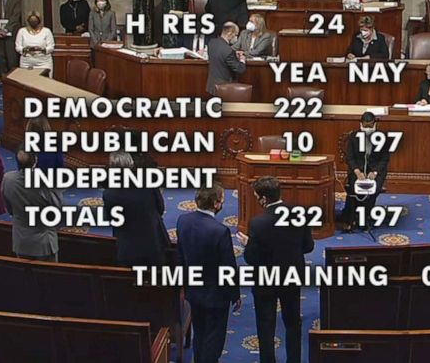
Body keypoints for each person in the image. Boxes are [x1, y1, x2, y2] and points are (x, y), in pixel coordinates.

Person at [242, 176, 314, 363]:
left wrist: (248, 244)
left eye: (257, 196)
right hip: (291, 276)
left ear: (264, 199)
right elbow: (308, 247)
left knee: (265, 325)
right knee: (292, 323)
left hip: (266, 280)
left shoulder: (258, 223)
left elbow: (252, 258)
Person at [176, 185, 241, 363]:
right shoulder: (220, 231)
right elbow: (228, 267)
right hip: (215, 296)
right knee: (213, 340)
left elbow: (180, 255)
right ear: (215, 203)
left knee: (200, 333)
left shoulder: (183, 220)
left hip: (193, 291)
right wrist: (235, 294)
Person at [103, 151, 170, 267]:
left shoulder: (109, 194)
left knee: (130, 283)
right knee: (157, 281)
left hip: (128, 249)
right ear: (131, 164)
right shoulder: (148, 183)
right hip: (154, 242)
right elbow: (161, 208)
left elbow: (110, 218)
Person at [2, 149, 62, 262]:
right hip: (44, 244)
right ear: (35, 161)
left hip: (21, 241)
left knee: (25, 277)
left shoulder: (7, 179)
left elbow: (9, 209)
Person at [339, 112, 392, 231]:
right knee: (354, 189)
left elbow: (385, 159)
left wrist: (375, 172)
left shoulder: (383, 137)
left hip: (376, 170)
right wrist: (357, 172)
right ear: (360, 124)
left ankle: (365, 217)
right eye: (365, 126)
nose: (367, 129)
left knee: (372, 190)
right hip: (357, 169)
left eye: (370, 126)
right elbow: (350, 157)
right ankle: (351, 217)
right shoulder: (354, 136)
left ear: (375, 125)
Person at [206, 22, 247, 95]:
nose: (236, 38)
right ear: (229, 33)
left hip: (212, 86)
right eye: (236, 35)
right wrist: (242, 59)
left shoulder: (212, 43)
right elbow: (240, 69)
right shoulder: (228, 51)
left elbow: (221, 56)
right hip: (224, 88)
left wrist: (234, 54)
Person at [16, 11, 55, 77]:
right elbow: (18, 47)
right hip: (27, 62)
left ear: (39, 20)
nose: (33, 22)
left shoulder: (46, 31)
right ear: (28, 21)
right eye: (31, 20)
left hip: (43, 62)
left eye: (35, 20)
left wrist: (42, 49)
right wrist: (25, 49)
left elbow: (51, 47)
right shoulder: (22, 31)